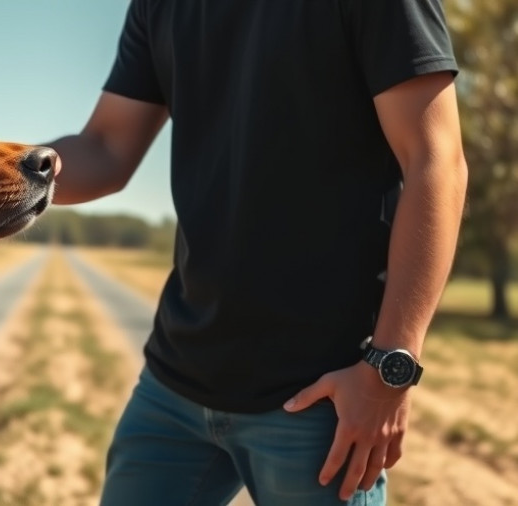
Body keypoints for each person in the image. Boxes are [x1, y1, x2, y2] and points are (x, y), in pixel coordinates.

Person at [47, 1, 467, 505]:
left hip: (317, 397)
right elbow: (105, 147)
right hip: (174, 388)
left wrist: (388, 370)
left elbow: (434, 161)